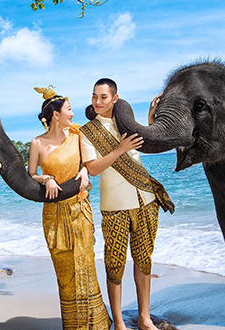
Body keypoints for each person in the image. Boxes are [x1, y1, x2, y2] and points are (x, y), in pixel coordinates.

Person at [79, 79, 174, 330]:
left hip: (146, 200)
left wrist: (152, 116)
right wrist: (119, 150)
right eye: (94, 97)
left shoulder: (127, 124)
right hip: (115, 206)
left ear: (115, 98)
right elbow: (93, 169)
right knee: (115, 263)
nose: (98, 102)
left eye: (103, 97)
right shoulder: (87, 132)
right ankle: (119, 321)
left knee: (144, 260)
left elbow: (152, 142)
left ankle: (144, 318)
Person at [28, 86, 111, 330]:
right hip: (54, 215)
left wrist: (85, 171)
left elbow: (89, 164)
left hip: (80, 210)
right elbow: (31, 174)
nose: (72, 114)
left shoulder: (77, 137)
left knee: (86, 265)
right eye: (69, 109)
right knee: (65, 274)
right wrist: (47, 179)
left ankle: (96, 324)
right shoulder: (37, 143)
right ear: (56, 115)